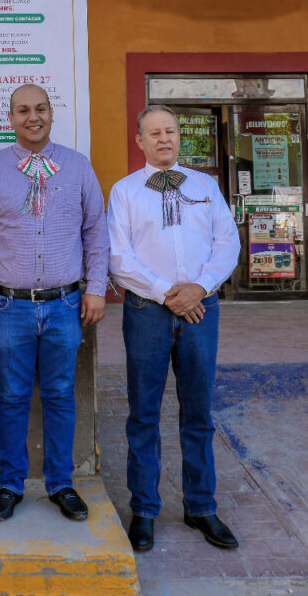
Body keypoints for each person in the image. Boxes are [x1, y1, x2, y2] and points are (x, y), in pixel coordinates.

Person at [0, 84, 109, 523]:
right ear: (10, 118)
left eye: (40, 109)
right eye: (23, 110)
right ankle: (10, 484)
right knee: (12, 396)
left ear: (51, 113)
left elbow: (95, 231)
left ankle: (61, 483)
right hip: (9, 306)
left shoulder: (78, 166)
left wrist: (96, 287)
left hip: (65, 304)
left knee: (61, 394)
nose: (33, 117)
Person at [107, 105, 240, 554]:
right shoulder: (125, 191)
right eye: (154, 133)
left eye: (170, 131)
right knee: (143, 413)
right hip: (147, 312)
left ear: (179, 137)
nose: (164, 139)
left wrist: (199, 288)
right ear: (139, 141)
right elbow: (119, 257)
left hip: (201, 310)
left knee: (198, 413)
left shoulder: (205, 186)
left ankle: (201, 506)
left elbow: (227, 242)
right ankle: (144, 509)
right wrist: (168, 294)